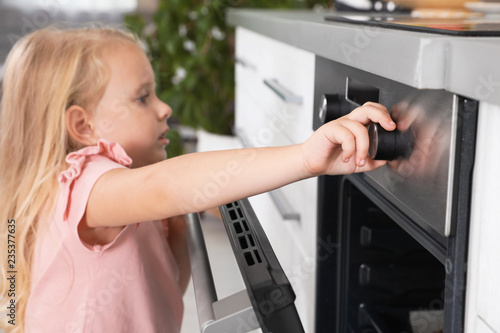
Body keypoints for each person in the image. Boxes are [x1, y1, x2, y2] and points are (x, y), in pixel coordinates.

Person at [0, 26, 396, 333]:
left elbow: (168, 286)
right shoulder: (87, 182)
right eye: (143, 98)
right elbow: (166, 185)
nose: (165, 107)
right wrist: (304, 158)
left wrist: (174, 224)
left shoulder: (90, 194)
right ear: (83, 126)